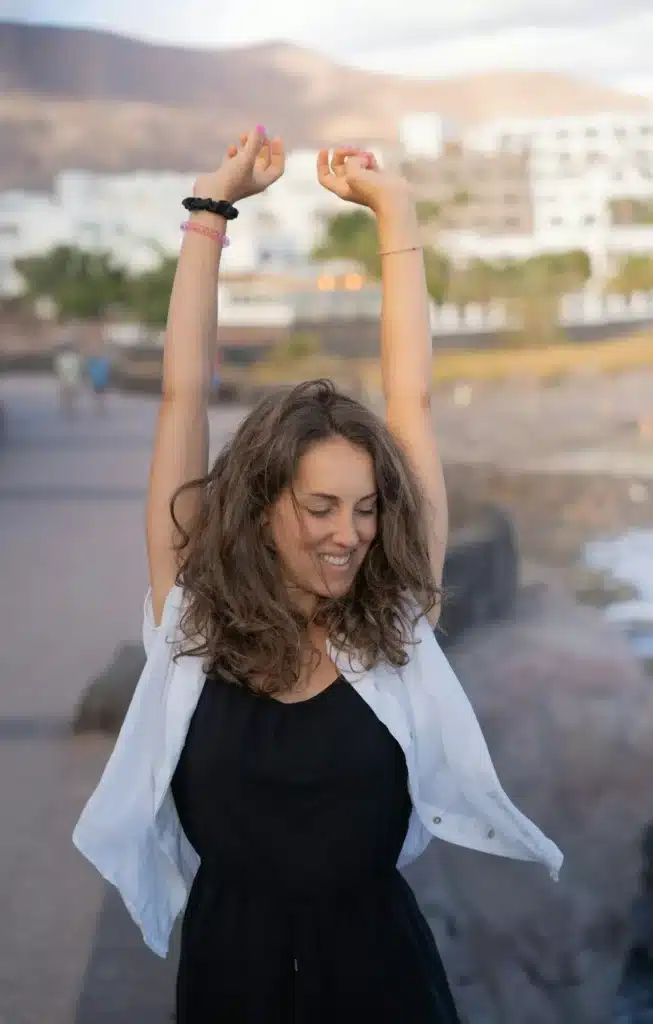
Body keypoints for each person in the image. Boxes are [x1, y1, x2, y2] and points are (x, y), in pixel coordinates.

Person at [73, 126, 563, 1023]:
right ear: (264, 506)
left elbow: (408, 397)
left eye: (367, 507)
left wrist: (398, 216)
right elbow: (183, 396)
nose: (351, 535)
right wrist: (209, 213)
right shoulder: (193, 626)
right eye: (321, 507)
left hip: (383, 985)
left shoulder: (395, 628)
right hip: (229, 986)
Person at [53, 344, 82, 416]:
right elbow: (79, 369)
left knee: (66, 395)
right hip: (73, 379)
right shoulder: (76, 358)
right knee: (71, 395)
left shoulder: (61, 358)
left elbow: (58, 369)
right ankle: (71, 409)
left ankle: (67, 408)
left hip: (64, 379)